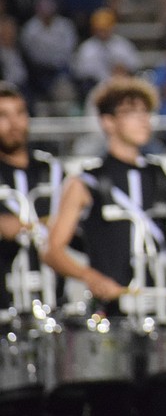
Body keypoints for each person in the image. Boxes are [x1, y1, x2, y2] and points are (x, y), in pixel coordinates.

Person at [41, 76, 166, 416]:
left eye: (146, 112)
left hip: (158, 316)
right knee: (113, 406)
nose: (143, 119)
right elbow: (53, 249)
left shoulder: (156, 175)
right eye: (132, 112)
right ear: (108, 122)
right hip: (112, 319)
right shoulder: (86, 181)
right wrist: (91, 278)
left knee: (162, 405)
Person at [0, 81, 65, 416]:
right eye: (3, 115)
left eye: (19, 113)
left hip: (55, 314)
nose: (13, 123)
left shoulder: (52, 171)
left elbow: (80, 233)